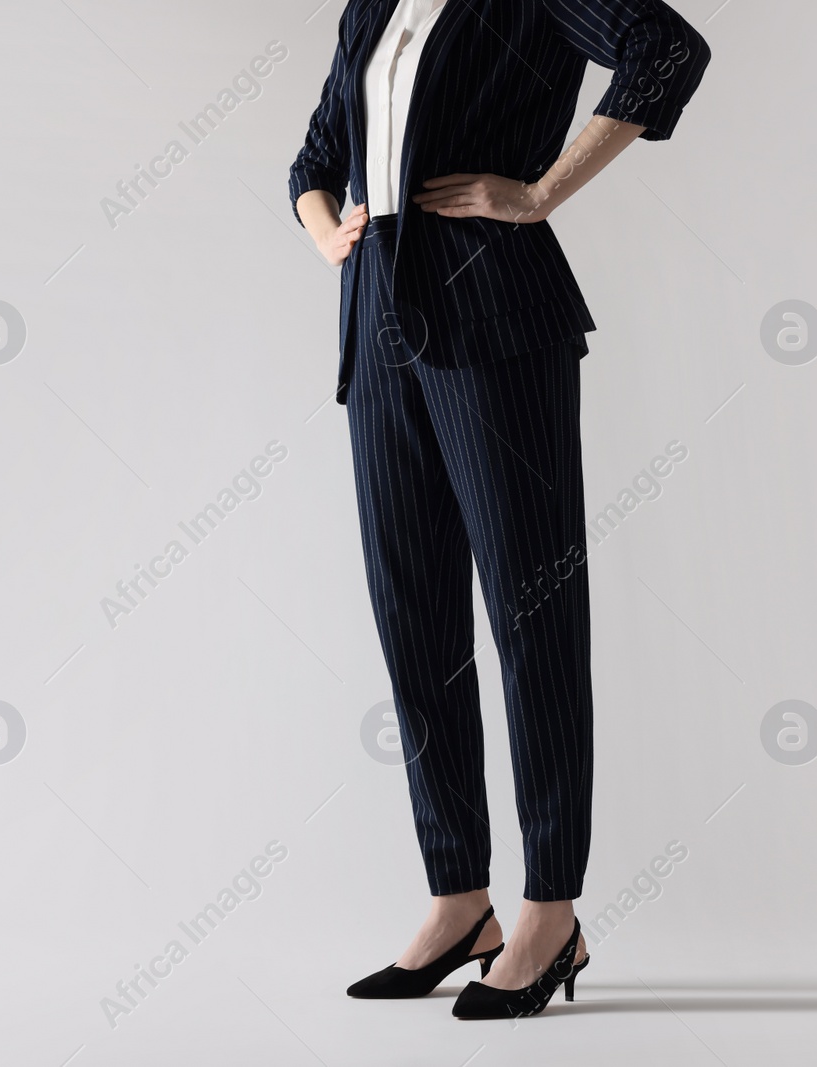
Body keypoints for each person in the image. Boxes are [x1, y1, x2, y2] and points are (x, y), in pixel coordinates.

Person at [287, 0, 710, 1019]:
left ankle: (548, 909)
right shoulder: (372, 5)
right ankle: (458, 898)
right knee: (414, 619)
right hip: (376, 322)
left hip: (493, 308)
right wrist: (328, 228)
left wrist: (540, 192)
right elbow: (313, 154)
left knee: (533, 618)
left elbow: (669, 50)